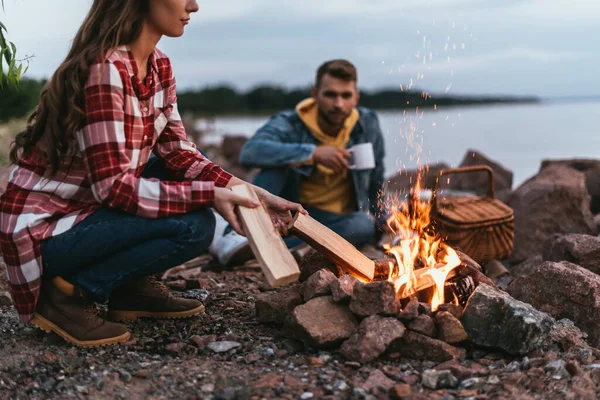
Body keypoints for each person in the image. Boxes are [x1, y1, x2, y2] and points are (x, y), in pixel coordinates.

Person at [0, 0, 304, 347]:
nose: (194, 6)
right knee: (195, 225)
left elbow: (179, 153)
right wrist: (209, 196)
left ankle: (130, 289)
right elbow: (113, 189)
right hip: (46, 231)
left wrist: (253, 193)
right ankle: (66, 294)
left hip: (86, 212)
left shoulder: (158, 64)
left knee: (184, 171)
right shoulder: (104, 71)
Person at [211, 60, 386, 266]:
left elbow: (376, 180)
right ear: (315, 95)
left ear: (356, 97)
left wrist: (386, 223)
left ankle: (278, 246)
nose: (338, 104)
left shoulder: (368, 123)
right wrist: (313, 153)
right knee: (276, 166)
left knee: (364, 223)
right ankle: (236, 237)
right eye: (330, 95)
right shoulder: (292, 123)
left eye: (346, 95)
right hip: (289, 211)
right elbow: (250, 152)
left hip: (337, 220)